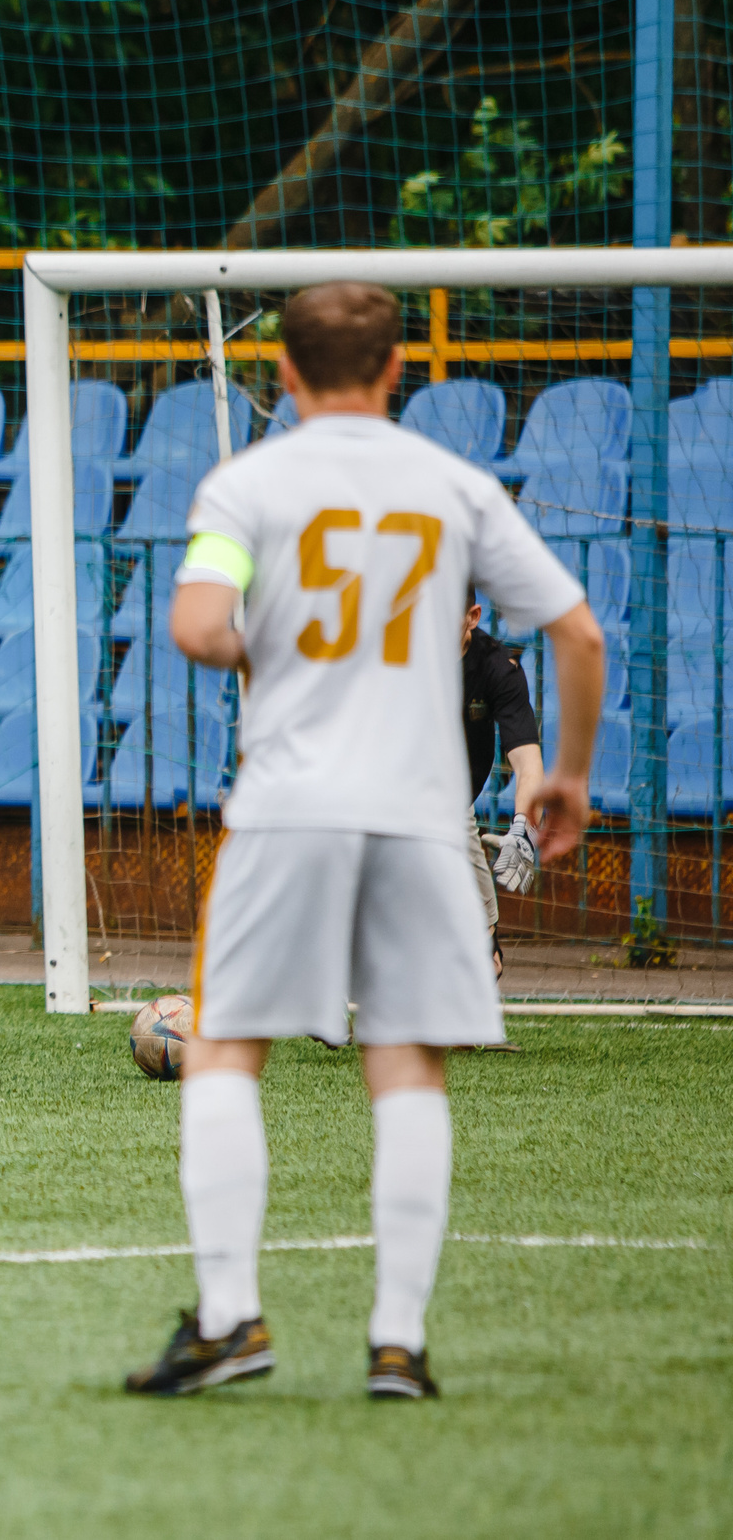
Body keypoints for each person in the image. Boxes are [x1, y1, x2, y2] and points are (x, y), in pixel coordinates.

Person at [128, 281, 603, 1401]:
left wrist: (273, 650)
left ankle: (233, 1320)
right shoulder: (454, 485)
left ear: (282, 376)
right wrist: (566, 780)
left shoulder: (246, 481)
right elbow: (575, 631)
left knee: (229, 1050)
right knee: (407, 1070)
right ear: (397, 374)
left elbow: (197, 625)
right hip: (424, 818)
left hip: (286, 806)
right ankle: (397, 1340)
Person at [461, 595, 545, 980]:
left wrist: (524, 829)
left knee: (480, 938)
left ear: (472, 617)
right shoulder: (396, 655)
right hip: (383, 788)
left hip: (450, 802)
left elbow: (528, 763)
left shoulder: (497, 668)